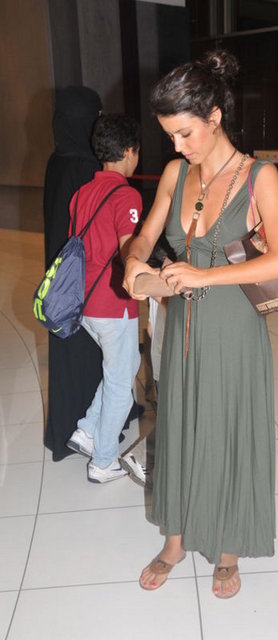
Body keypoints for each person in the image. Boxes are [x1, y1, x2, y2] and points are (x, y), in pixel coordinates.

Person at [123, 50, 278, 598]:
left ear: (215, 116)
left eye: (185, 133)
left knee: (228, 428)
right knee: (177, 425)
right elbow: (147, 234)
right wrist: (134, 263)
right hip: (182, 325)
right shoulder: (176, 173)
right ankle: (175, 540)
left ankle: (227, 548)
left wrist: (204, 275)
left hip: (234, 328)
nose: (178, 147)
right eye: (170, 136)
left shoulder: (259, 176)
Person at [66, 114, 143, 483]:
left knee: (123, 368)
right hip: (114, 302)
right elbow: (131, 251)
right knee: (120, 383)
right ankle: (103, 461)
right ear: (128, 152)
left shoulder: (81, 193)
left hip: (83, 302)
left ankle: (87, 430)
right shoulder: (127, 195)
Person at [43, 86, 104, 461]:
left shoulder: (57, 160)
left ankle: (68, 425)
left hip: (59, 274)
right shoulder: (87, 166)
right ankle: (89, 425)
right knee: (92, 349)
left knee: (68, 349)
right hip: (82, 276)